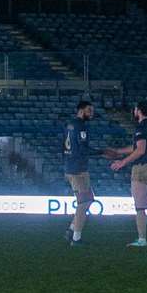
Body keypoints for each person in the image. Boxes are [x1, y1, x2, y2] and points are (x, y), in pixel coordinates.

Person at [109, 100, 147, 248]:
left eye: (135, 109)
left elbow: (140, 150)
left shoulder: (141, 128)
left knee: (139, 207)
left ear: (139, 111)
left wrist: (121, 163)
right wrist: (119, 151)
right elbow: (139, 147)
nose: (134, 111)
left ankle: (142, 239)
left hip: (141, 168)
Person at [62, 99, 94, 246]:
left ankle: (72, 230)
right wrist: (102, 152)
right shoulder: (80, 126)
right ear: (81, 110)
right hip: (77, 170)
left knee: (89, 199)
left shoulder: (70, 125)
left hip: (74, 167)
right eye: (89, 110)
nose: (91, 113)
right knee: (84, 202)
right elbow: (83, 149)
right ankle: (76, 237)